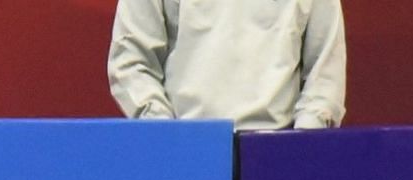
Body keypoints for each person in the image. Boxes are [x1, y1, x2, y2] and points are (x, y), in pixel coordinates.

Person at [108, 0, 346, 130]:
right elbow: (132, 61)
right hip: (187, 147)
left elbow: (325, 73)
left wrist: (300, 149)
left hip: (278, 152)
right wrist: (170, 140)